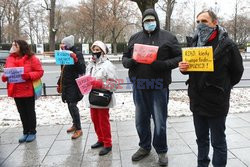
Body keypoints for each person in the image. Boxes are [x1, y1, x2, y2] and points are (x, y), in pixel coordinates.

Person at [179, 10, 244, 167]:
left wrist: (224, 87)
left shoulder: (228, 45)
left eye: (205, 21)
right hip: (197, 100)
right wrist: (184, 69)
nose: (201, 25)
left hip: (216, 101)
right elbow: (191, 69)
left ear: (215, 22)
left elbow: (237, 72)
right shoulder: (194, 42)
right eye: (198, 22)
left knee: (218, 142)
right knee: (201, 139)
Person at [122, 8, 181, 166]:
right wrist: (130, 62)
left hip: (159, 85)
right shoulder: (135, 38)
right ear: (142, 22)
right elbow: (124, 57)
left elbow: (179, 57)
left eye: (151, 20)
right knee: (141, 120)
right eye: (146, 21)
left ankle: (161, 150)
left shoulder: (168, 37)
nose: (149, 23)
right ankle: (144, 146)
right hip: (139, 84)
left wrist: (163, 65)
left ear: (156, 20)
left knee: (159, 120)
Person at [1, 40, 44, 143]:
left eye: (15, 45)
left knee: (30, 112)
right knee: (22, 112)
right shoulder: (10, 59)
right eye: (12, 45)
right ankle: (25, 131)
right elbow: (7, 72)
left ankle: (32, 132)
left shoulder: (32, 58)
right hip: (15, 90)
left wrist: (28, 75)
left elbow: (40, 72)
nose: (13, 47)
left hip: (28, 90)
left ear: (21, 46)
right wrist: (4, 76)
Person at [84, 40, 118, 156]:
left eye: (98, 50)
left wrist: (98, 83)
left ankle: (108, 144)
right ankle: (100, 139)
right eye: (93, 49)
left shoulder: (108, 65)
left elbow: (114, 85)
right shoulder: (90, 64)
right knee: (95, 120)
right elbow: (87, 77)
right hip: (92, 97)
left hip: (103, 97)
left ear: (103, 52)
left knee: (103, 121)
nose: (95, 52)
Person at [57, 35, 86, 139]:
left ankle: (79, 129)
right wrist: (59, 82)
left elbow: (82, 69)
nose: (61, 45)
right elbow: (63, 70)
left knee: (73, 105)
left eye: (63, 43)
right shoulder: (63, 54)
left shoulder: (77, 54)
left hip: (74, 84)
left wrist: (76, 60)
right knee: (69, 104)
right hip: (66, 83)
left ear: (68, 45)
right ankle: (74, 124)